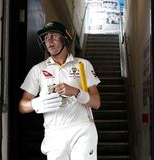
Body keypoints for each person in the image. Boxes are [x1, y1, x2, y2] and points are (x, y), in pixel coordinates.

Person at [19, 21, 101, 160]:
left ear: (65, 39)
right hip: (54, 134)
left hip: (82, 129)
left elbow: (96, 103)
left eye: (54, 36)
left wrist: (76, 92)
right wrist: (37, 103)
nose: (49, 41)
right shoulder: (38, 69)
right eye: (46, 38)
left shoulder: (83, 64)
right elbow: (22, 106)